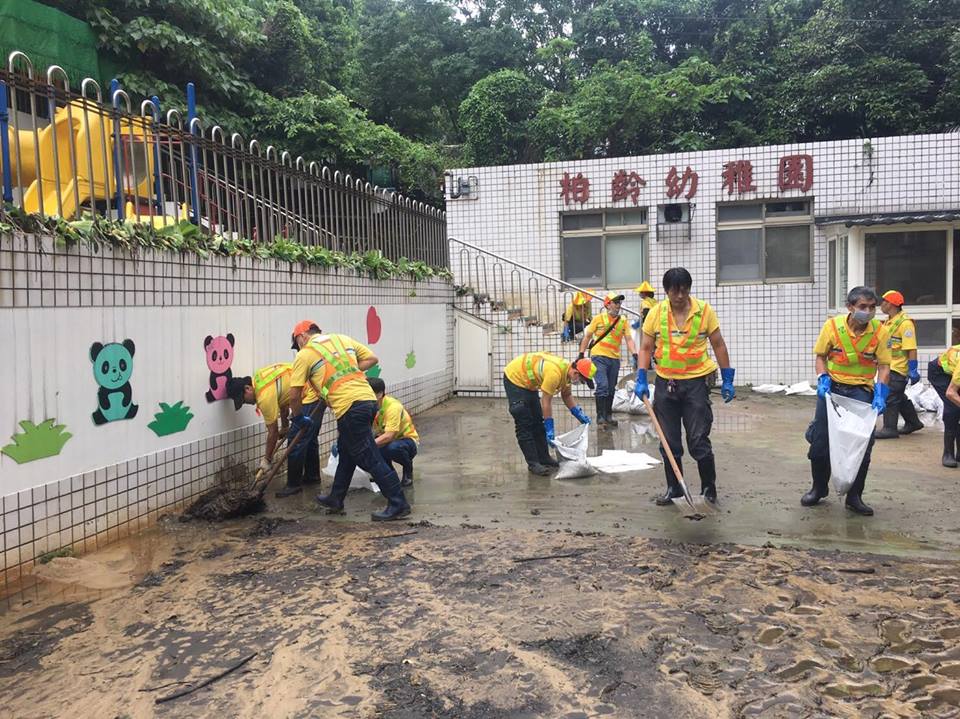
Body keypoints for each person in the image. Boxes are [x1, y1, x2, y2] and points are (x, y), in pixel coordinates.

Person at [289, 322, 410, 521]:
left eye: (297, 343)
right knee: (347, 454)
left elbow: (294, 395)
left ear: (302, 336)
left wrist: (298, 417)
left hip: (350, 407)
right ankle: (336, 498)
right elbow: (372, 358)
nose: (298, 347)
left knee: (369, 457)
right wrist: (346, 375)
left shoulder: (306, 353)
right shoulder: (341, 339)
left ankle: (398, 503)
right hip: (367, 400)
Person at [634, 267, 735, 505]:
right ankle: (674, 488)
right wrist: (640, 377)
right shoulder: (656, 313)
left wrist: (728, 377)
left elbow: (718, 344)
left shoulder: (704, 311)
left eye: (684, 290)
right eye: (674, 291)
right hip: (665, 383)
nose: (679, 296)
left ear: (689, 289)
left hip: (696, 384)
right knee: (668, 441)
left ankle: (709, 489)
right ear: (667, 291)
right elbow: (646, 348)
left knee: (698, 439)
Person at [801, 287, 891, 516]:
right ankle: (818, 488)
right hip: (832, 391)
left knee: (861, 445)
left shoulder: (880, 332)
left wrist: (881, 391)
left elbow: (883, 366)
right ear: (850, 307)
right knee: (821, 442)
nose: (868, 312)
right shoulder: (832, 326)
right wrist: (822, 379)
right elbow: (821, 356)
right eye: (863, 307)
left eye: (872, 307)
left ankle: (854, 496)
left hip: (862, 393)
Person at [226, 362, 318, 498]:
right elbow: (283, 401)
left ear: (247, 389)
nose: (247, 404)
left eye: (244, 400)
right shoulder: (259, 377)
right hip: (310, 386)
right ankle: (312, 476)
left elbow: (273, 433)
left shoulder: (264, 398)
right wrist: (285, 426)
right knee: (307, 436)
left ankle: (293, 485)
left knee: (295, 441)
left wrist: (267, 460)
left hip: (308, 393)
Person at [503, 353, 595, 475]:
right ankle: (533, 463)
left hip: (528, 383)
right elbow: (546, 402)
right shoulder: (555, 374)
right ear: (576, 373)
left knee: (537, 420)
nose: (580, 383)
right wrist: (549, 427)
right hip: (515, 378)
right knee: (524, 420)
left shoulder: (567, 373)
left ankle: (544, 458)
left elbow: (566, 395)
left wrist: (578, 414)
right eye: (582, 381)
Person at [578, 291, 639, 429]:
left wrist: (635, 354)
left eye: (619, 303)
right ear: (607, 304)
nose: (618, 305)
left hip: (614, 358)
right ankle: (600, 417)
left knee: (611, 389)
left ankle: (608, 415)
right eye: (615, 302)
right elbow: (587, 337)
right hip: (598, 356)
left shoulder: (623, 320)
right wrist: (581, 354)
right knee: (603, 386)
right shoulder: (598, 319)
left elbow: (629, 339)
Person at [875, 290, 923, 439]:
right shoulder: (889, 321)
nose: (880, 305)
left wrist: (913, 369)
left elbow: (911, 348)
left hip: (898, 367)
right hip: (889, 365)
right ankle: (913, 422)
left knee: (891, 396)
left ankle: (890, 428)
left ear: (890, 304)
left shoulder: (905, 323)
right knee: (897, 395)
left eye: (883, 302)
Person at [368, 377, 419, 487]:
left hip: (407, 440)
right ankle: (390, 477)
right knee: (377, 449)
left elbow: (389, 436)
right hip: (386, 439)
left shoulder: (393, 407)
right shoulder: (370, 407)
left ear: (380, 394)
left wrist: (369, 445)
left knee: (391, 448)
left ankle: (408, 468)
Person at [928, 343, 960, 467]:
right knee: (953, 408)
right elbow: (950, 393)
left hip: (953, 372)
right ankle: (948, 453)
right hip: (939, 373)